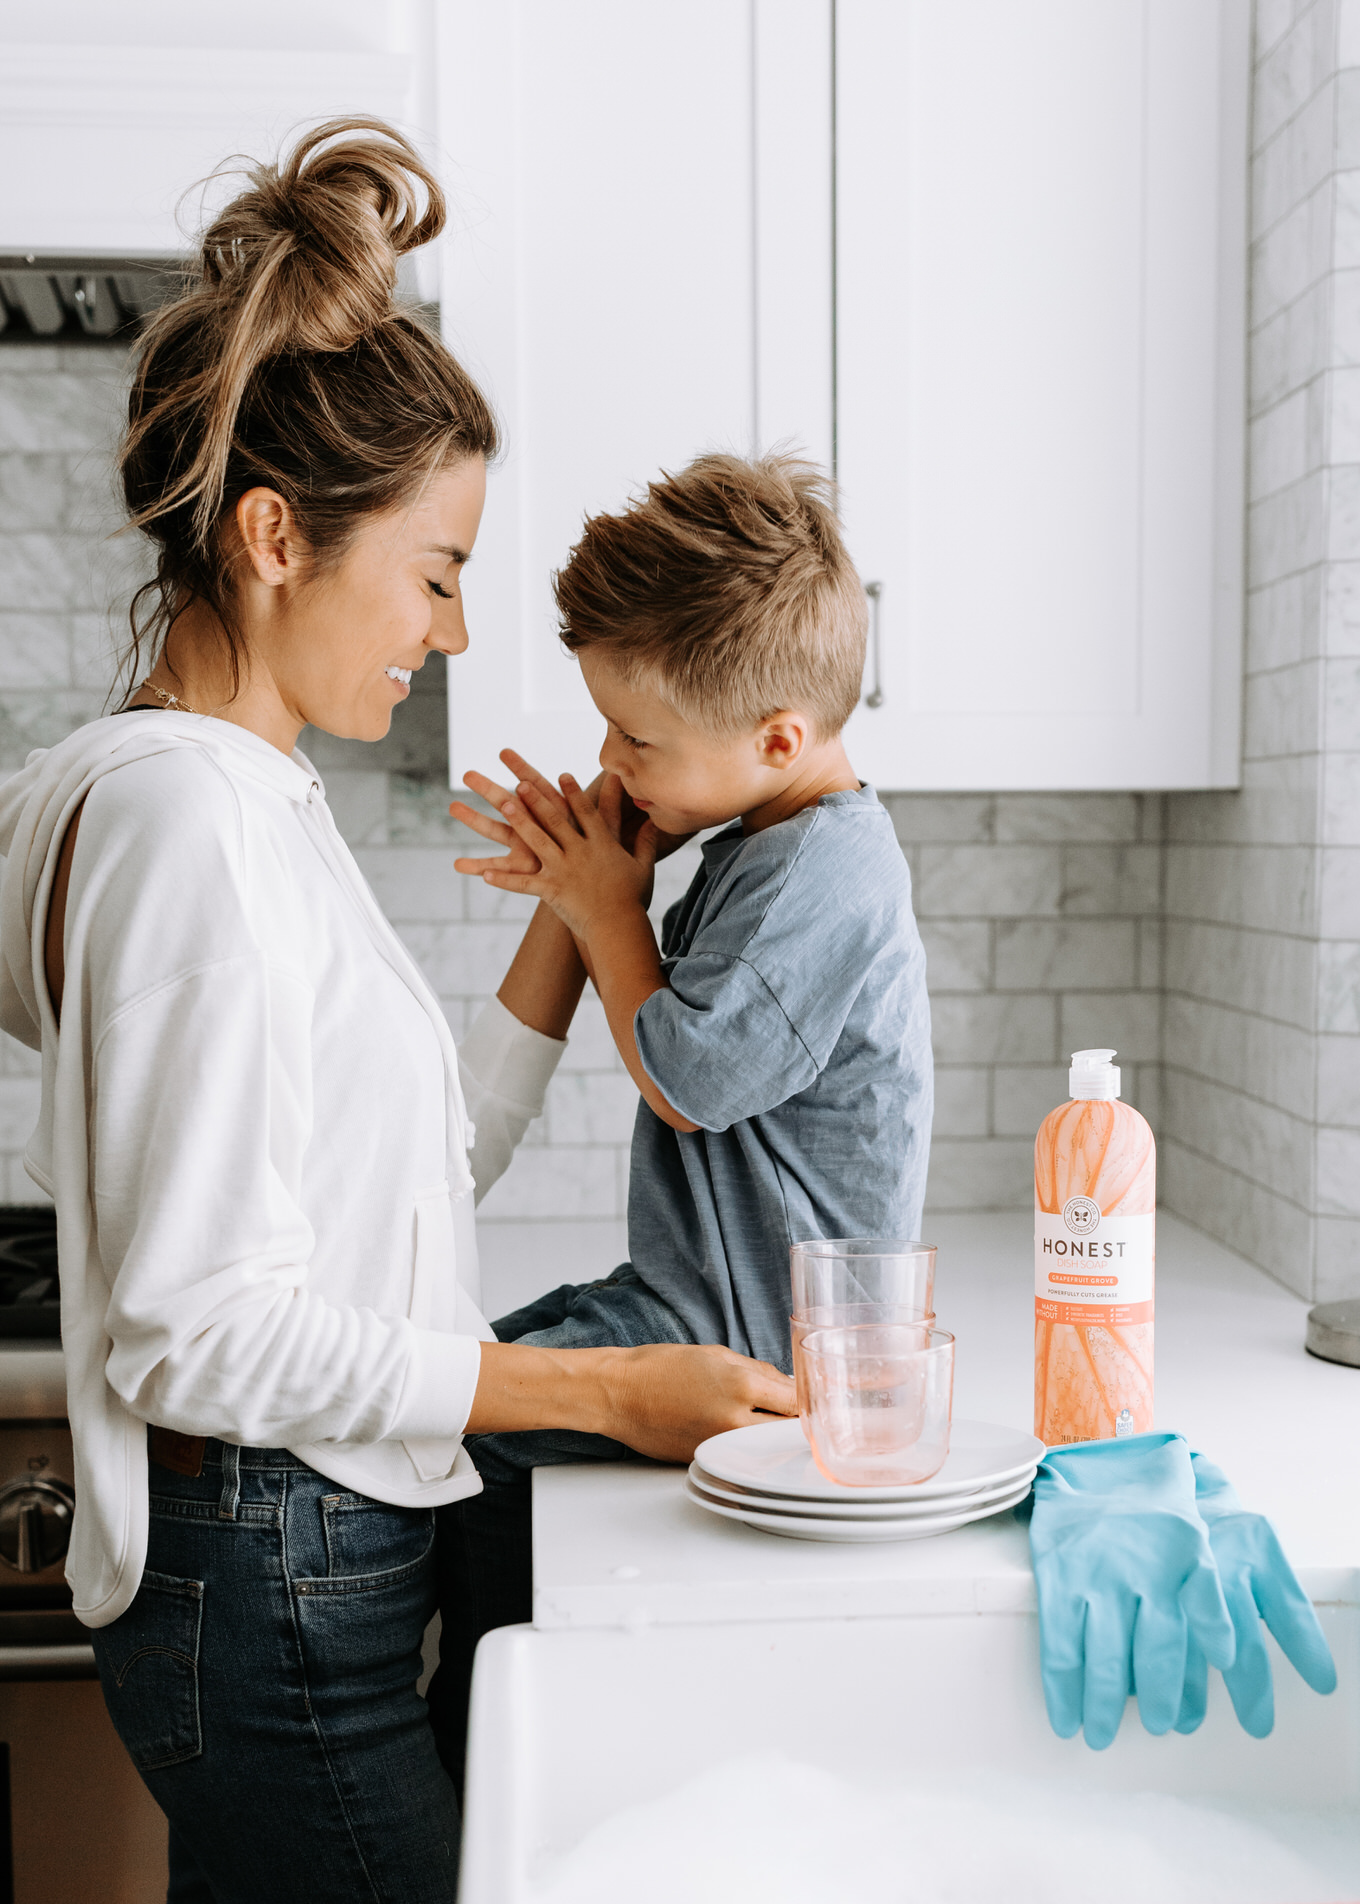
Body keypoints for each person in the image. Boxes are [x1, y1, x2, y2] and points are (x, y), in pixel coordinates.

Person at [0, 119, 793, 1904]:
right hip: (274, 1569)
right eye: (436, 572)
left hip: (296, 1553)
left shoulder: (187, 790)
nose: (451, 631)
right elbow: (205, 1331)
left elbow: (403, 1181)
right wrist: (606, 1393)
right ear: (276, 536)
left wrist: (586, 913)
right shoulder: (191, 825)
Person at [431, 453, 933, 1780]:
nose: (610, 759)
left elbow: (691, 1078)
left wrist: (605, 907)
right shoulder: (771, 840)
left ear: (776, 739)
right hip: (709, 1295)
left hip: (759, 1334)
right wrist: (607, 873)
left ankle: (467, 1733)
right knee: (473, 1364)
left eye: (637, 739)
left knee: (468, 1423)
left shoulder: (829, 868)